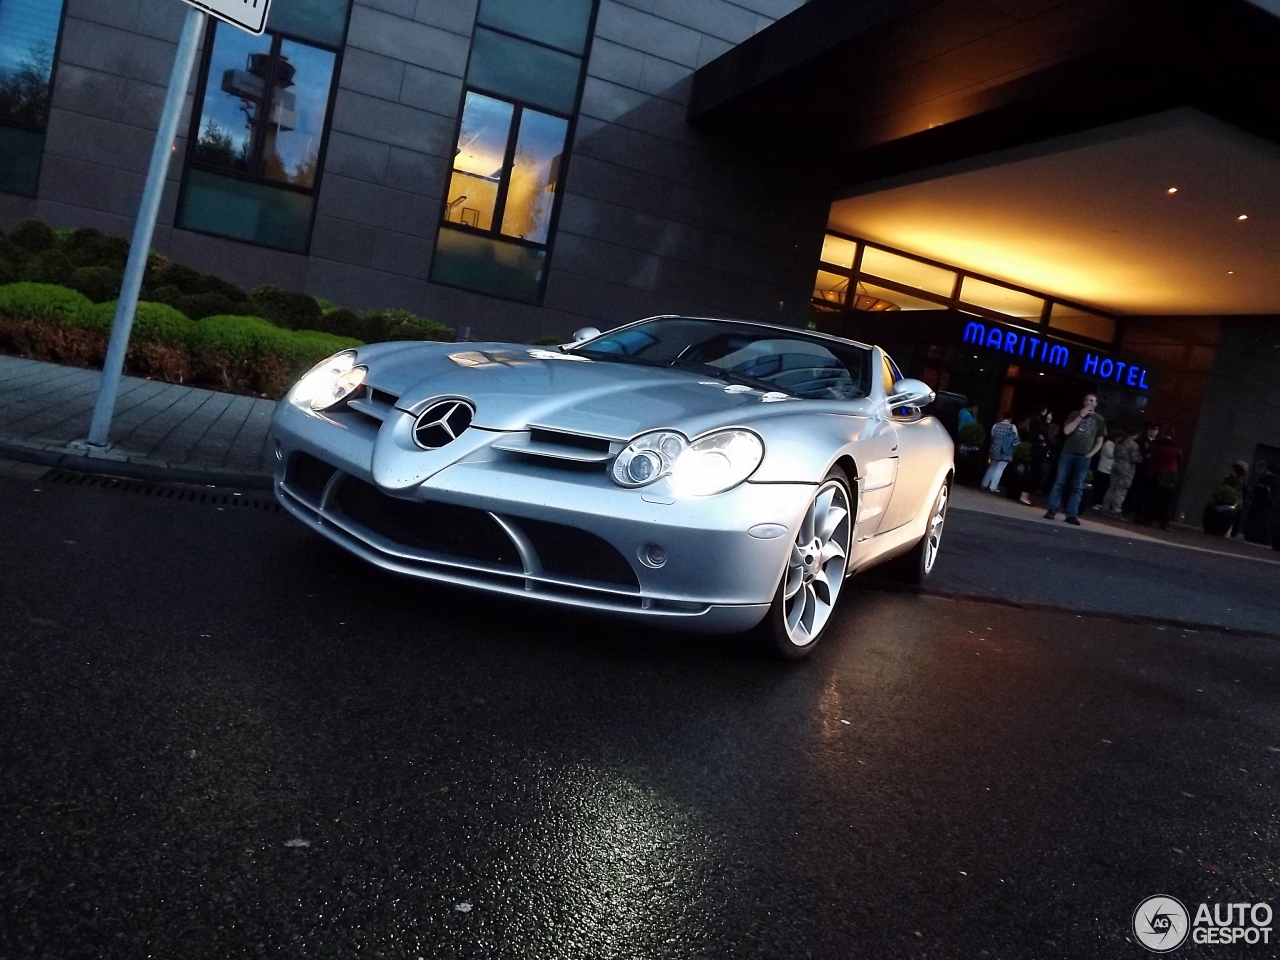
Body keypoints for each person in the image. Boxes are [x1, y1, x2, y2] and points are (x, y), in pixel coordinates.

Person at [1044, 392, 1107, 525]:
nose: (1089, 403)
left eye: (1092, 401)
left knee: (1077, 486)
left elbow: (1100, 440)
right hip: (1068, 453)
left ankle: (1072, 514)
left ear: (1096, 404)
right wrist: (1080, 416)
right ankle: (1052, 510)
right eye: (1087, 400)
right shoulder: (1074, 414)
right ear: (1084, 403)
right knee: (1060, 482)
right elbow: (1066, 431)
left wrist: (1091, 454)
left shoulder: (1099, 420)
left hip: (1084, 456)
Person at [1141, 428, 1184, 530]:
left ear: (1163, 433)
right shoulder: (1176, 447)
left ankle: (1147, 520)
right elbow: (1180, 460)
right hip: (1170, 475)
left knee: (1151, 498)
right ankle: (1164, 523)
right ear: (1172, 435)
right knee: (1166, 501)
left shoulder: (1156, 445)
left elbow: (1151, 456)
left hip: (1155, 473)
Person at [1100, 429, 1141, 516]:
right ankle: (1116, 509)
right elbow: (1135, 458)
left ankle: (1105, 507)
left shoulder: (1119, 441)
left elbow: (1114, 453)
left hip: (1115, 465)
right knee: (1122, 489)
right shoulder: (1133, 445)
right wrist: (1141, 459)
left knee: (1112, 487)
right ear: (1134, 435)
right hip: (1126, 468)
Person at [981, 411, 1018, 493]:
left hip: (995, 449)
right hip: (1006, 450)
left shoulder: (995, 426)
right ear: (1010, 418)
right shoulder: (1012, 427)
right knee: (1000, 468)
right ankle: (993, 486)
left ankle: (984, 483)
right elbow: (1015, 440)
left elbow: (992, 437)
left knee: (992, 466)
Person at [1092, 430, 1118, 506]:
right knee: (1100, 487)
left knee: (1104, 487)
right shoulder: (1108, 444)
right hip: (1103, 469)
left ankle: (1099, 502)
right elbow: (1111, 454)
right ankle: (1095, 502)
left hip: (1108, 470)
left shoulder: (1112, 444)